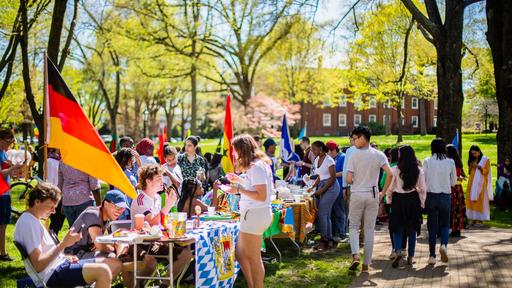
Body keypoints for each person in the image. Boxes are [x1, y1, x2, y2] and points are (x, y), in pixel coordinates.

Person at [14, 182, 121, 288]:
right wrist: (63, 244)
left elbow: (45, 253)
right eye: (51, 207)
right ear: (37, 202)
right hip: (52, 274)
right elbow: (38, 265)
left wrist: (64, 256)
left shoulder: (31, 220)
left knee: (114, 263)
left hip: (60, 266)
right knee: (103, 271)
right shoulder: (28, 223)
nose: (54, 211)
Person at [65, 189, 154, 288]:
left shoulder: (105, 218)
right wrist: (114, 249)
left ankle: (128, 280)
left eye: (123, 209)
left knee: (121, 250)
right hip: (73, 257)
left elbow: (100, 243)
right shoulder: (93, 214)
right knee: (113, 258)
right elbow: (100, 245)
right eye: (117, 207)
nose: (120, 211)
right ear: (106, 204)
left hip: (84, 252)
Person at [225, 134, 273, 288]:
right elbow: (253, 186)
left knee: (253, 257)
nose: (234, 154)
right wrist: (240, 180)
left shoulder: (256, 167)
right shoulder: (256, 165)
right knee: (240, 254)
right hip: (253, 215)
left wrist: (238, 188)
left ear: (242, 150)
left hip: (255, 215)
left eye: (235, 150)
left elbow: (261, 195)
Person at [129, 164, 191, 280]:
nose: (162, 181)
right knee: (152, 262)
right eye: (158, 179)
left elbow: (160, 222)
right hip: (143, 243)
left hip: (158, 240)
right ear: (148, 181)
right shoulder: (140, 199)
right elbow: (151, 222)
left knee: (186, 254)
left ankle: (164, 284)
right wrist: (167, 206)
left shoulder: (157, 197)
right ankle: (139, 285)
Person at [346, 126, 393, 272]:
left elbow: (348, 179)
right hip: (373, 194)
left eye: (354, 139)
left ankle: (355, 255)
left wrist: (353, 180)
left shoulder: (354, 155)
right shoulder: (379, 155)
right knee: (369, 229)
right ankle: (366, 264)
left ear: (361, 138)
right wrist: (383, 193)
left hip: (357, 193)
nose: (353, 142)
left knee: (353, 226)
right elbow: (390, 174)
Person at [386, 145, 426, 268]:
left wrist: (389, 199)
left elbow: (390, 188)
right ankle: (411, 256)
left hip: (398, 200)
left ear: (402, 155)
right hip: (413, 200)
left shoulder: (395, 170)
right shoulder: (418, 170)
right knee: (412, 229)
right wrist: (422, 202)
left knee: (397, 228)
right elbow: (423, 188)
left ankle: (398, 250)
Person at [423, 138, 457, 265]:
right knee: (445, 224)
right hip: (445, 196)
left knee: (432, 226)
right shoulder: (450, 162)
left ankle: (432, 255)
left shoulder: (427, 161)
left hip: (431, 196)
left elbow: (423, 179)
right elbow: (453, 182)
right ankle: (443, 245)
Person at [308, 141, 340, 250]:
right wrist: (312, 186)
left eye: (314, 149)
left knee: (322, 213)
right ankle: (328, 239)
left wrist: (321, 190)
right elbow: (320, 176)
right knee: (325, 215)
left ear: (321, 149)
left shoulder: (329, 160)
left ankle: (324, 240)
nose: (312, 151)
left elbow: (333, 177)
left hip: (331, 188)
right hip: (323, 186)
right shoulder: (317, 159)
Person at [0, 128, 24, 261]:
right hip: (1, 192)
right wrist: (13, 168)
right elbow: (1, 173)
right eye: (7, 142)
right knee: (1, 223)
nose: (9, 145)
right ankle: (2, 253)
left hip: (5, 191)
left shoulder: (3, 152)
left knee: (4, 223)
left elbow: (5, 168)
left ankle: (2, 252)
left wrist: (13, 166)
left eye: (11, 142)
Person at [466, 145, 493, 223]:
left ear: (479, 151)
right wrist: (471, 166)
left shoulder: (485, 159)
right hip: (472, 182)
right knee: (471, 199)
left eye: (475, 153)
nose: (474, 155)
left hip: (481, 183)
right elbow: (469, 172)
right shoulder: (473, 159)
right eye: (472, 154)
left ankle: (480, 219)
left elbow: (486, 172)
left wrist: (478, 167)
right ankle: (473, 218)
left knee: (480, 200)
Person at [446, 144, 468, 236]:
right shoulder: (458, 162)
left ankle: (453, 228)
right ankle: (457, 228)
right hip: (458, 188)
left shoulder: (450, 163)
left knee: (453, 208)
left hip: (452, 187)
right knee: (458, 209)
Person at [326, 140, 346, 243]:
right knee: (332, 212)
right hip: (330, 189)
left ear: (333, 150)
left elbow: (344, 172)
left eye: (327, 151)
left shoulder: (343, 157)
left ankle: (342, 233)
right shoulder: (329, 159)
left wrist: (332, 174)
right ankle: (334, 233)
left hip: (339, 188)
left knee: (339, 211)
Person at [47, 148, 66, 236]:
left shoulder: (60, 160)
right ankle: (51, 243)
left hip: (61, 194)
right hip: (55, 195)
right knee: (55, 222)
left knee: (58, 222)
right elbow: (50, 180)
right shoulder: (50, 161)